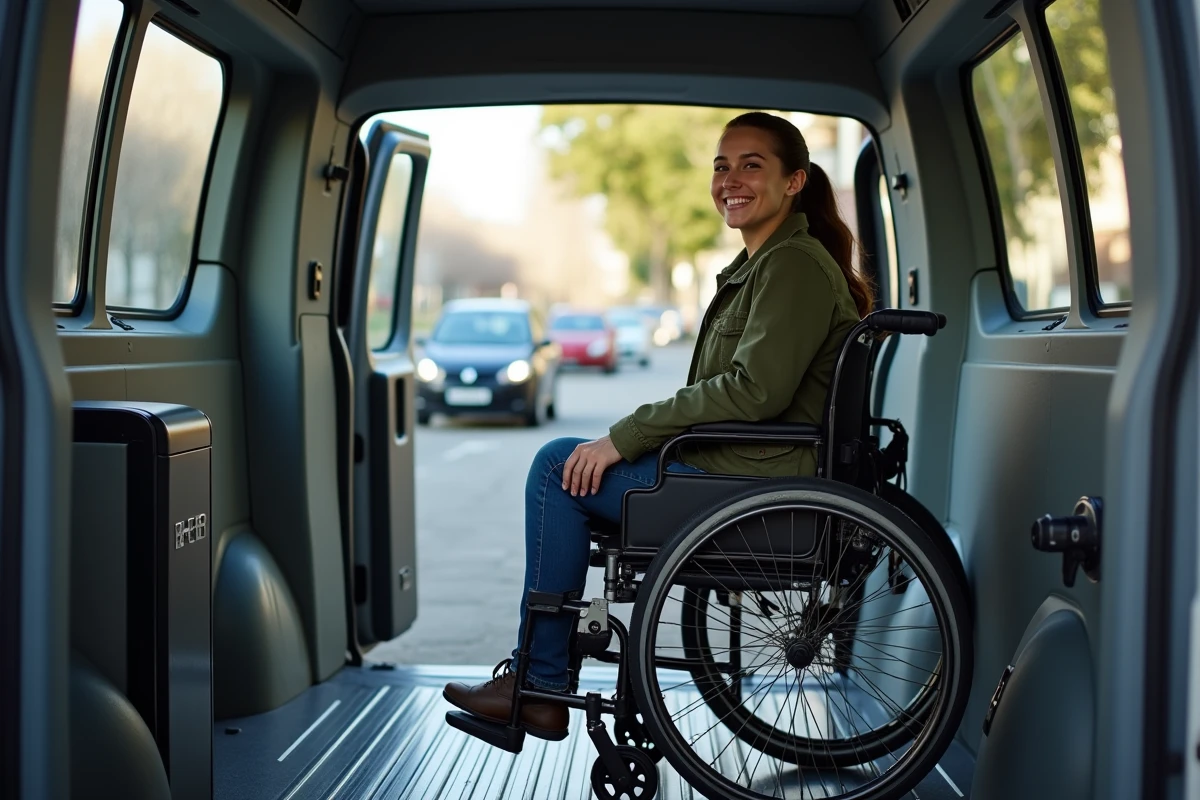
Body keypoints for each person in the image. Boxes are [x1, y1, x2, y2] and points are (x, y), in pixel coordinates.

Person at [442, 111, 875, 740]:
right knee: (571, 464)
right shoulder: (767, 264)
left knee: (556, 471)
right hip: (745, 471)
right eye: (722, 165)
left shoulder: (793, 266)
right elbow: (727, 393)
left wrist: (627, 436)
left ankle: (540, 685)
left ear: (794, 182)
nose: (731, 178)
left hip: (755, 484)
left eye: (752, 164)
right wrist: (644, 437)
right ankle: (540, 681)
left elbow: (754, 392)